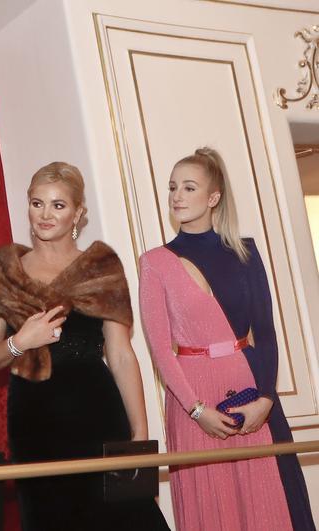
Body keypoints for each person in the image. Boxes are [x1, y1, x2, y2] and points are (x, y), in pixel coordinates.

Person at [0, 162, 169, 530]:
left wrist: (140, 436)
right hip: (33, 421)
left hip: (98, 414)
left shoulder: (101, 266)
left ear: (78, 213)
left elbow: (121, 354)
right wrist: (19, 343)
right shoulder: (4, 269)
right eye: (37, 203)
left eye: (58, 205)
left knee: (125, 519)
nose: (45, 215)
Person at [138, 147, 314, 530]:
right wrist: (196, 411)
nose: (177, 196)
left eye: (189, 187)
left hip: (249, 390)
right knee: (211, 505)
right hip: (192, 399)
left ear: (213, 197)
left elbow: (265, 334)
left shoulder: (245, 253)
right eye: (172, 188)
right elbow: (160, 349)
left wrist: (265, 400)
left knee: (266, 502)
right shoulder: (154, 262)